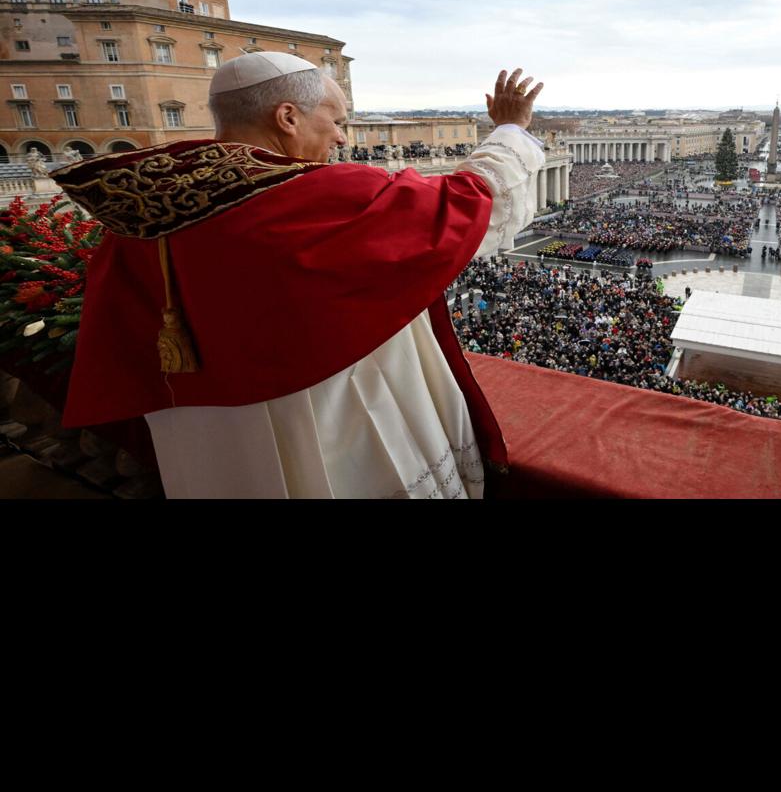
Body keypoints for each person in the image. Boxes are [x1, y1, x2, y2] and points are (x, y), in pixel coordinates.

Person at [52, 57, 549, 498]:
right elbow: (471, 202)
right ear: (287, 117)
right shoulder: (319, 195)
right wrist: (509, 129)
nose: (340, 137)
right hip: (333, 419)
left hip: (207, 433)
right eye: (335, 121)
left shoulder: (141, 216)